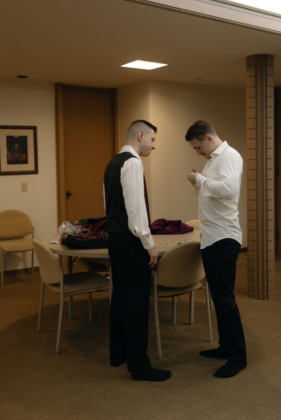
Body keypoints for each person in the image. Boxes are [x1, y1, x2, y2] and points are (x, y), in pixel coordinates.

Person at [104, 120, 171, 382]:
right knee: (137, 303)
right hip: (132, 243)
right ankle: (139, 366)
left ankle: (118, 354)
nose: (153, 146)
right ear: (140, 135)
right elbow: (136, 210)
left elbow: (108, 205)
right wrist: (149, 244)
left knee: (120, 297)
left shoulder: (112, 163)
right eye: (152, 140)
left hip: (115, 240)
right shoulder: (132, 163)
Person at [185, 120, 247, 378]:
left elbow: (229, 190)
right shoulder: (213, 159)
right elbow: (213, 193)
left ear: (209, 138)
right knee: (217, 297)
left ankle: (237, 357)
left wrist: (199, 178)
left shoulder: (229, 156)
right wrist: (198, 181)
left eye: (198, 146)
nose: (198, 152)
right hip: (212, 238)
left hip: (223, 237)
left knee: (224, 298)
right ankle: (225, 346)